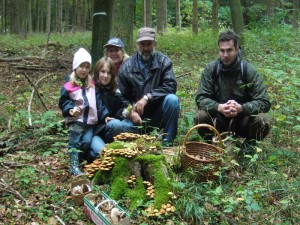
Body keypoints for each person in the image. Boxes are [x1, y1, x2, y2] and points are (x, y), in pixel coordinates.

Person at [194, 30, 271, 154]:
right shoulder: (211, 69)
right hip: (218, 120)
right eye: (222, 50)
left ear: (236, 49)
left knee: (263, 119)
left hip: (243, 120)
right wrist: (218, 107)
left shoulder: (247, 70)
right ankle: (212, 146)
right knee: (200, 116)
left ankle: (249, 149)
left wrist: (241, 108)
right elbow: (200, 98)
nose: (225, 55)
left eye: (229, 50)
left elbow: (264, 102)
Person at [118, 27, 180, 146]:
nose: (146, 48)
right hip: (136, 118)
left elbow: (170, 86)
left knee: (172, 100)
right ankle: (136, 145)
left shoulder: (164, 62)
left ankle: (167, 144)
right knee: (122, 126)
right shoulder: (126, 67)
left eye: (149, 44)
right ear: (137, 45)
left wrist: (147, 97)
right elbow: (121, 98)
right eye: (142, 44)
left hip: (158, 113)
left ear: (155, 44)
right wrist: (130, 112)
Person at [59, 48, 109, 175]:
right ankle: (74, 165)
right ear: (76, 66)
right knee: (75, 142)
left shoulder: (91, 83)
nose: (84, 70)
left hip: (90, 122)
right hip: (76, 120)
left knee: (86, 141)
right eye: (81, 66)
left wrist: (105, 115)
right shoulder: (69, 84)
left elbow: (98, 102)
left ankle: (82, 158)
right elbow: (64, 101)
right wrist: (70, 109)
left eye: (87, 67)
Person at [91, 57, 135, 153]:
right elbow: (97, 106)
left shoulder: (115, 89)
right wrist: (105, 116)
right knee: (100, 154)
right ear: (97, 72)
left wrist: (125, 111)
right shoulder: (91, 88)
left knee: (128, 125)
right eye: (103, 72)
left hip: (111, 128)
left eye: (109, 73)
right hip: (96, 131)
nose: (105, 76)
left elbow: (121, 106)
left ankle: (115, 147)